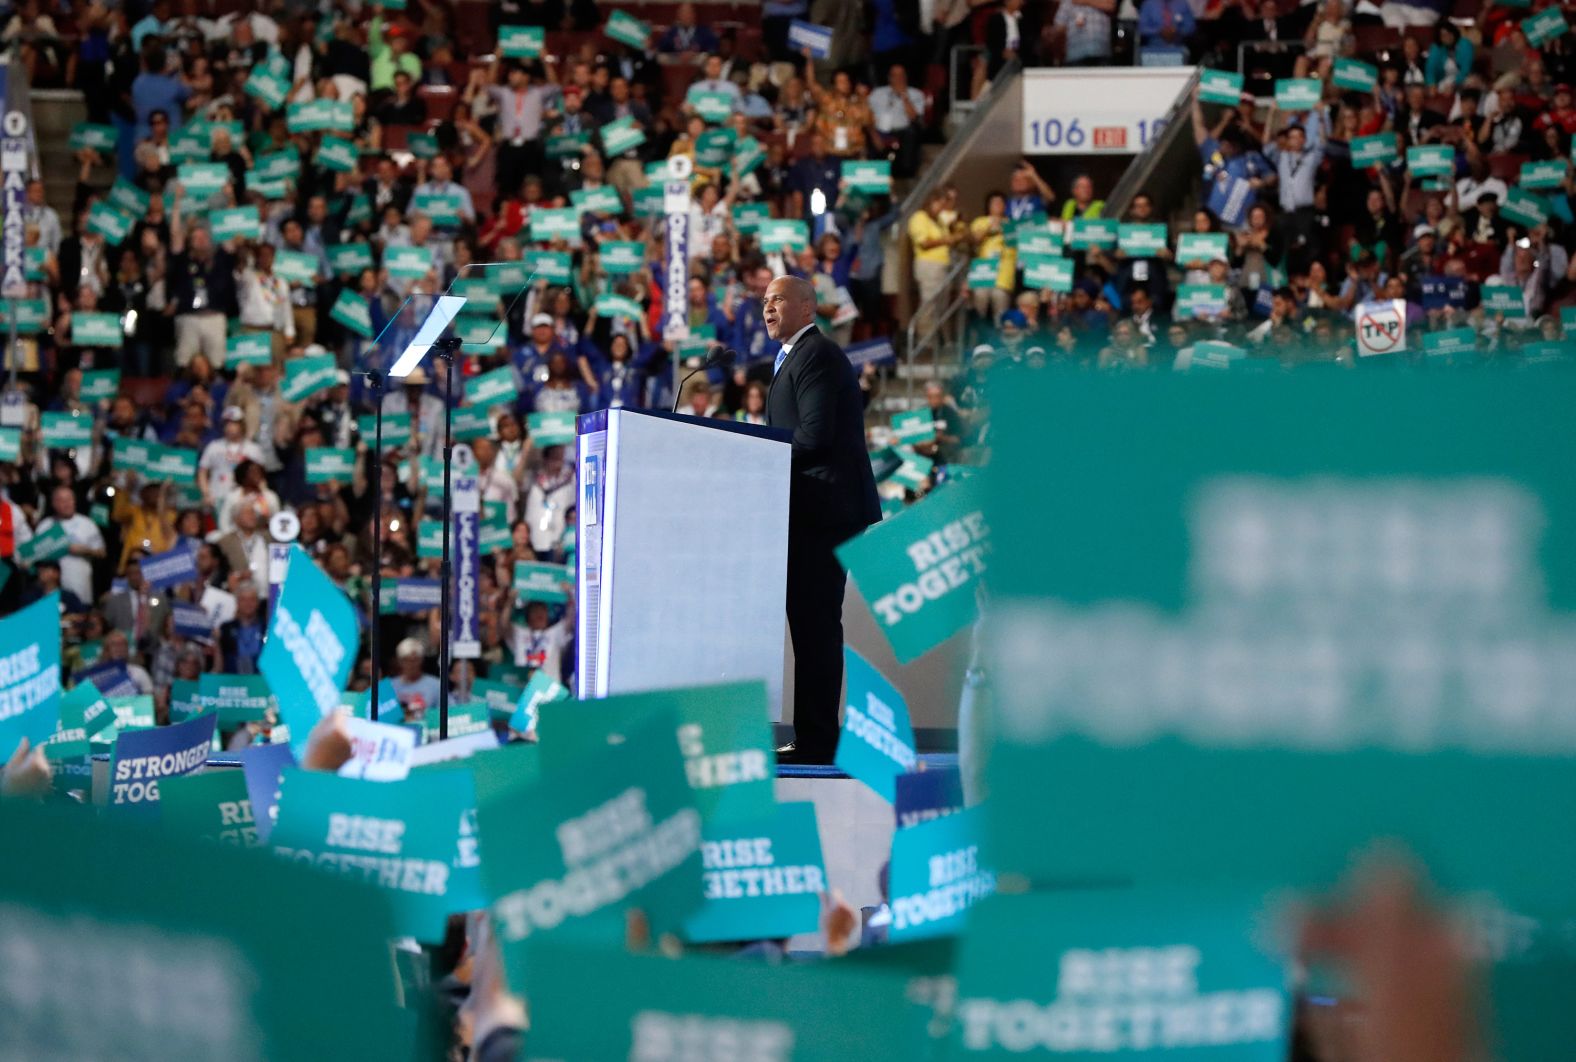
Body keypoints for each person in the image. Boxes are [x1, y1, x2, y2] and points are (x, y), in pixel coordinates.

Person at [762, 276, 881, 764]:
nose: (768, 308)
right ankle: (815, 737)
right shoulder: (797, 356)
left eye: (778, 300)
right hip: (814, 510)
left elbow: (813, 436)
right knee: (812, 627)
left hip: (825, 511)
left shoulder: (817, 354)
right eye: (765, 301)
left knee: (815, 627)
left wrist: (758, 450)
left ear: (807, 307)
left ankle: (817, 741)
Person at [390, 637, 442, 716]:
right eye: (406, 660)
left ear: (421, 660)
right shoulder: (390, 686)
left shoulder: (436, 685)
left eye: (415, 660)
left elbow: (448, 712)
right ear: (399, 661)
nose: (411, 665)